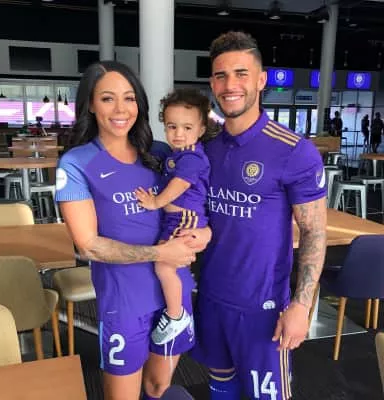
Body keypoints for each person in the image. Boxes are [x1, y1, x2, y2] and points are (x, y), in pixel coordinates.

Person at [55, 61, 211, 400]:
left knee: (158, 387)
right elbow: (88, 245)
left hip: (174, 295)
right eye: (107, 98)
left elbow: (196, 202)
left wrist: (206, 234)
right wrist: (160, 253)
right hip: (124, 302)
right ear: (90, 105)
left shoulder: (160, 154)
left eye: (129, 98)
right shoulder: (77, 163)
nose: (120, 109)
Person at [191, 31, 327, 399]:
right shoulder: (205, 148)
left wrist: (301, 305)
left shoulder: (294, 151)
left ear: (261, 80)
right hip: (212, 299)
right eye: (221, 76)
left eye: (241, 74)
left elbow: (314, 232)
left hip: (263, 309)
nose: (230, 85)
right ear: (212, 84)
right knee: (221, 389)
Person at [135, 88, 213, 346]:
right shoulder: (176, 153)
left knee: (164, 264)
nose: (178, 133)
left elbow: (180, 184)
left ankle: (176, 314)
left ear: (201, 129)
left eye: (187, 128)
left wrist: (156, 202)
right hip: (175, 219)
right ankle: (176, 310)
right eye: (172, 126)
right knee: (170, 264)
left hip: (185, 219)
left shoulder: (191, 157)